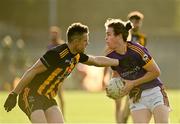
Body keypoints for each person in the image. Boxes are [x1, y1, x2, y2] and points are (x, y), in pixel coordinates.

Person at [4, 22, 120, 123]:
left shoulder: (77, 55)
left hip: (48, 97)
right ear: (75, 41)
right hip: (31, 94)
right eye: (85, 41)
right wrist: (14, 94)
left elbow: (96, 61)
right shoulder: (56, 54)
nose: (87, 43)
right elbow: (32, 71)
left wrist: (119, 61)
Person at [104, 18, 170, 123]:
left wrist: (133, 83)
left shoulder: (137, 49)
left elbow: (156, 72)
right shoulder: (110, 55)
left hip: (154, 92)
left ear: (119, 36)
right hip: (136, 96)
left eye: (108, 34)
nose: (105, 38)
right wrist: (114, 86)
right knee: (126, 117)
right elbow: (116, 73)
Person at [47, 26, 65, 117]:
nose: (53, 35)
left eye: (55, 33)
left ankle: (62, 115)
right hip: (50, 74)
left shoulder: (62, 45)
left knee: (60, 95)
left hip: (60, 73)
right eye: (52, 33)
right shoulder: (49, 46)